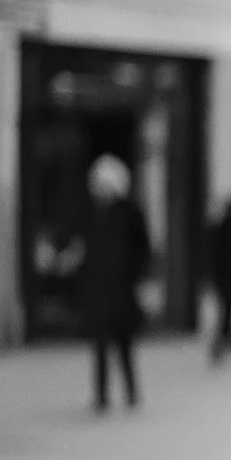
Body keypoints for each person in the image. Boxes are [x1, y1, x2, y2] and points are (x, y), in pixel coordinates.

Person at [75, 154, 151, 413]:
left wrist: (135, 274)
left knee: (124, 345)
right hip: (100, 288)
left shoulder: (130, 214)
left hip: (121, 288)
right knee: (100, 346)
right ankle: (101, 395)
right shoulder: (92, 214)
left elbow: (142, 249)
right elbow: (85, 249)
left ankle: (130, 392)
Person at [207, 196, 231, 363]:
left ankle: (226, 341)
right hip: (227, 275)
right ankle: (225, 342)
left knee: (225, 310)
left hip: (222, 275)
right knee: (227, 310)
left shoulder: (219, 229)